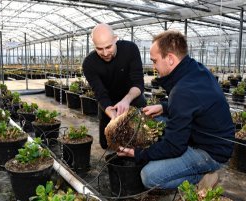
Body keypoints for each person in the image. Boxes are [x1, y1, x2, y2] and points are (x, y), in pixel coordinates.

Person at [117, 30, 235, 189]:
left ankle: (200, 177)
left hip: (211, 152)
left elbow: (174, 146)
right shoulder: (194, 69)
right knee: (155, 121)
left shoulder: (182, 91)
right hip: (209, 137)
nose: (154, 67)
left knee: (150, 175)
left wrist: (137, 154)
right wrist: (163, 107)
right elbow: (194, 105)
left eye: (155, 61)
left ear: (170, 59)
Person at [82, 23, 146, 149]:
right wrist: (111, 113)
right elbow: (100, 93)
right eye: (99, 49)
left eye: (108, 47)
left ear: (115, 39)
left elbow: (138, 83)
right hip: (108, 103)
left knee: (139, 140)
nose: (105, 53)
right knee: (107, 144)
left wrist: (126, 100)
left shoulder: (130, 49)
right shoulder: (89, 63)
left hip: (133, 98)